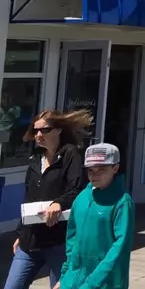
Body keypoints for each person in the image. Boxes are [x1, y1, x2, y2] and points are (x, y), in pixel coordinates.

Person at [4, 110, 89, 289]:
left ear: (58, 130)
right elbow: (28, 199)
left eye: (45, 130)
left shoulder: (70, 154)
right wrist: (20, 233)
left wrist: (58, 203)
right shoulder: (35, 160)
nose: (39, 135)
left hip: (58, 240)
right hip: (30, 240)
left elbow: (76, 189)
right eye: (36, 131)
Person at [56, 143, 134, 289]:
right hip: (73, 279)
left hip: (105, 282)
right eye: (90, 170)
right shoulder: (81, 198)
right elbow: (71, 240)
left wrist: (92, 283)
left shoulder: (122, 202)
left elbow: (120, 248)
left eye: (101, 169)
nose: (94, 175)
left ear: (115, 168)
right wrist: (63, 277)